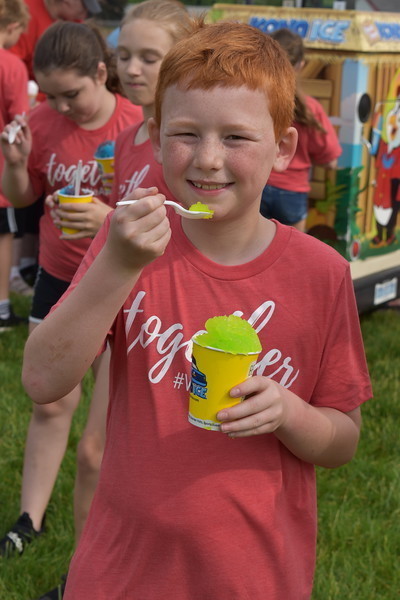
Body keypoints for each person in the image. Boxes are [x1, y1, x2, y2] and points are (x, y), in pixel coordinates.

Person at [22, 20, 372, 599]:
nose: (208, 159)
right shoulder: (128, 243)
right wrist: (117, 263)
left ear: (283, 147)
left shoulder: (320, 274)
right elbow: (42, 379)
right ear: (156, 139)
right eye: (186, 134)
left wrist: (289, 412)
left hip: (252, 576)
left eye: (236, 138)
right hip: (121, 571)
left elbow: (343, 441)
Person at [0, 19, 142, 599]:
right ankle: (28, 519)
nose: (60, 107)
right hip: (60, 276)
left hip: (123, 283)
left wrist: (107, 216)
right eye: (50, 95)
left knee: (102, 435)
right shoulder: (41, 121)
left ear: (101, 75)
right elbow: (23, 198)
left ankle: (99, 553)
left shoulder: (137, 126)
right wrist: (14, 162)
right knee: (51, 403)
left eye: (72, 94)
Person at [53, 0, 191, 239]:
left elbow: (199, 236)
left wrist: (107, 222)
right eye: (124, 56)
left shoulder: (187, 144)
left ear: (182, 61)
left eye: (148, 59)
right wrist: (85, 210)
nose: (131, 69)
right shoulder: (126, 139)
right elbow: (119, 208)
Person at [260, 28, 342, 232]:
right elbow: (330, 160)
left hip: (258, 187)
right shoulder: (311, 108)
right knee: (294, 256)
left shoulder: (257, 101)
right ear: (301, 65)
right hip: (292, 192)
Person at [0, 0, 30, 330]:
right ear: (12, 27)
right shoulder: (11, 64)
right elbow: (19, 120)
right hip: (1, 170)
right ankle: (2, 308)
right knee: (3, 236)